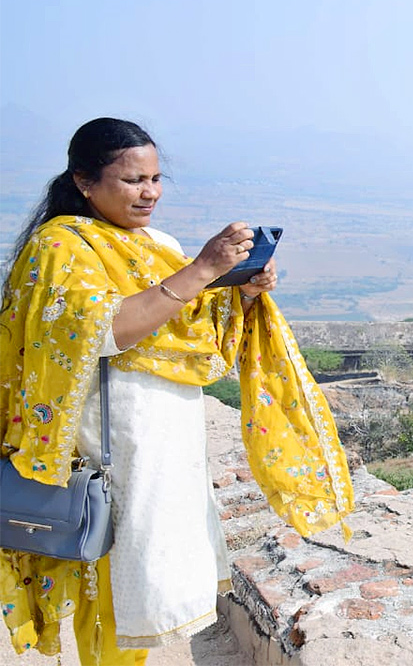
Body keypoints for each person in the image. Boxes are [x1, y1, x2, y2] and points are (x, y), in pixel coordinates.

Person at [0, 118, 355, 665]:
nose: (149, 193)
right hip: (111, 443)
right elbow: (103, 330)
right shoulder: (60, 245)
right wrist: (205, 267)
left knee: (151, 576)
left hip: (166, 438)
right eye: (133, 180)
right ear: (84, 182)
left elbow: (195, 333)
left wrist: (244, 291)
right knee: (113, 582)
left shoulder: (155, 243)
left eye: (156, 178)